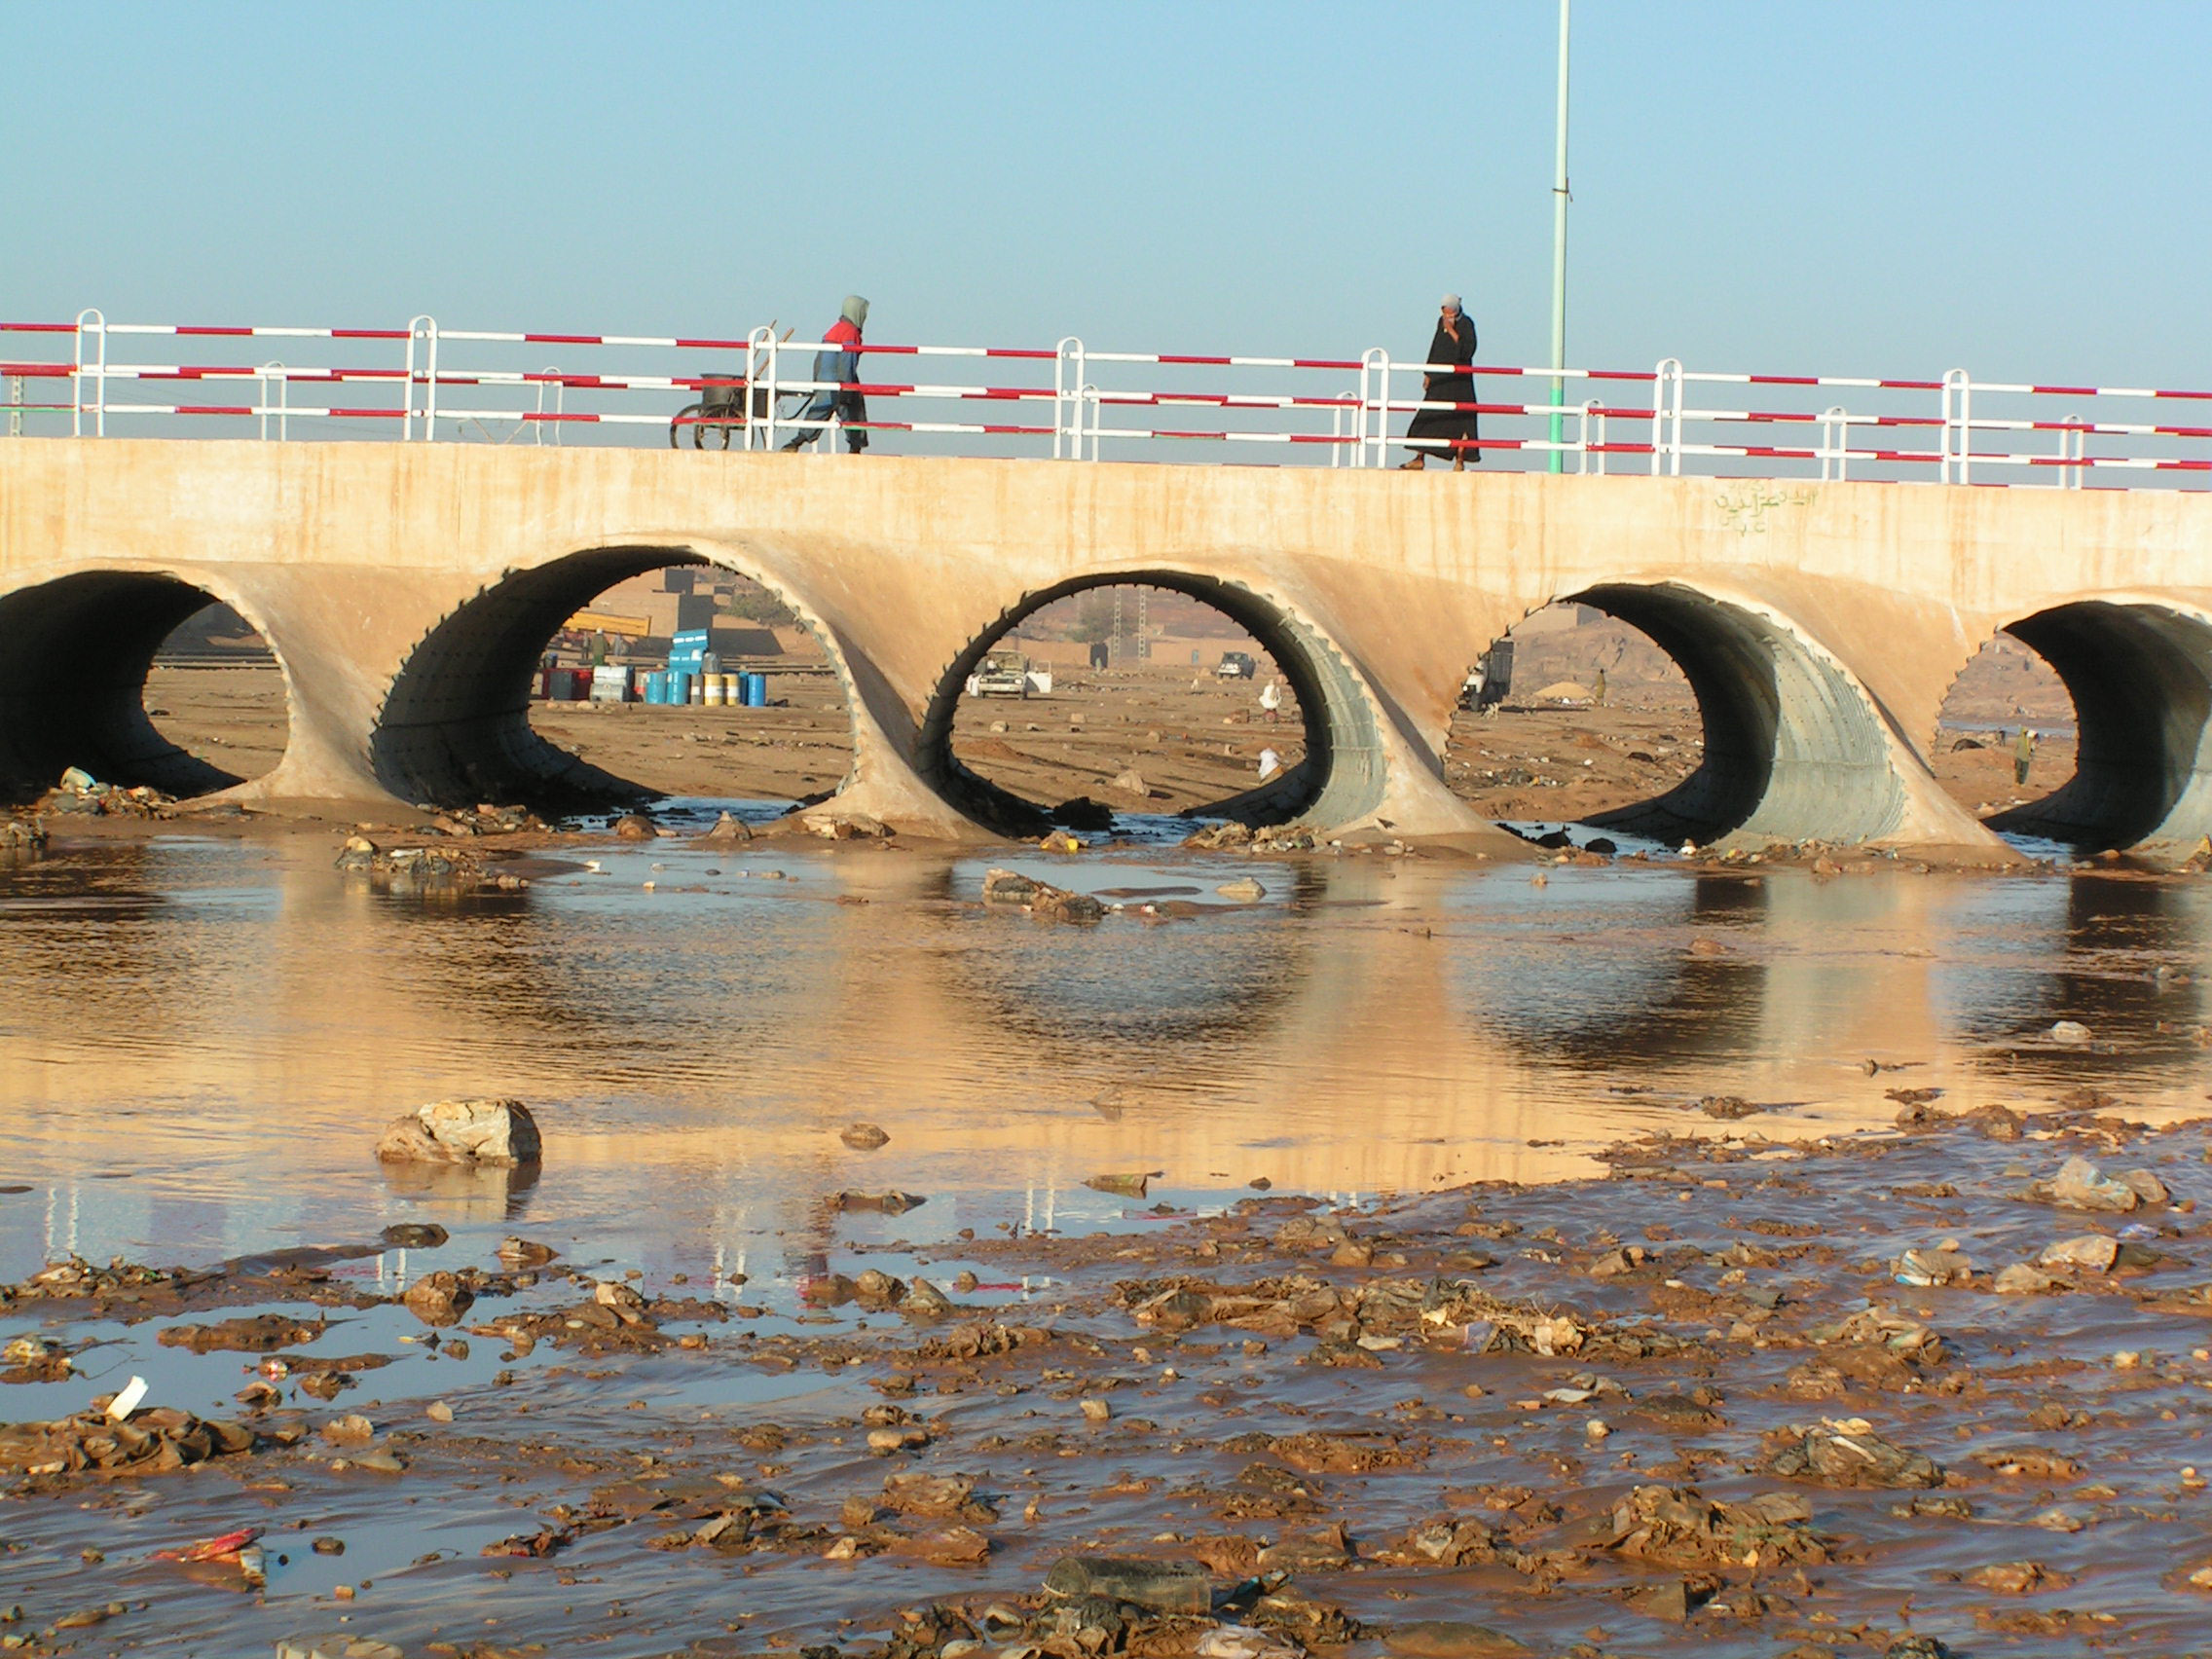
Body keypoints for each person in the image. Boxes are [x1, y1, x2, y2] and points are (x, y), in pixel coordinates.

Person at [782, 295, 870, 453]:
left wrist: (816, 382)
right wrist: (847, 387)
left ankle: (795, 442)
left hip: (824, 379)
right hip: (840, 380)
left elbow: (819, 359)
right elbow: (846, 360)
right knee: (853, 412)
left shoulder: (832, 330)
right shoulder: (850, 332)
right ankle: (855, 449)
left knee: (819, 411)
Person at [1401, 293, 1479, 470]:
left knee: (1463, 419)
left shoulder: (1467, 324)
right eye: (1445, 313)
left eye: (1450, 313)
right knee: (1428, 415)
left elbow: (1468, 350)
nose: (1448, 316)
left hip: (1460, 381)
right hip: (1440, 379)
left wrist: (1452, 331)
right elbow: (1435, 346)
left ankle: (1460, 461)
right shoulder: (1440, 322)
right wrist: (1428, 373)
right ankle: (1419, 457)